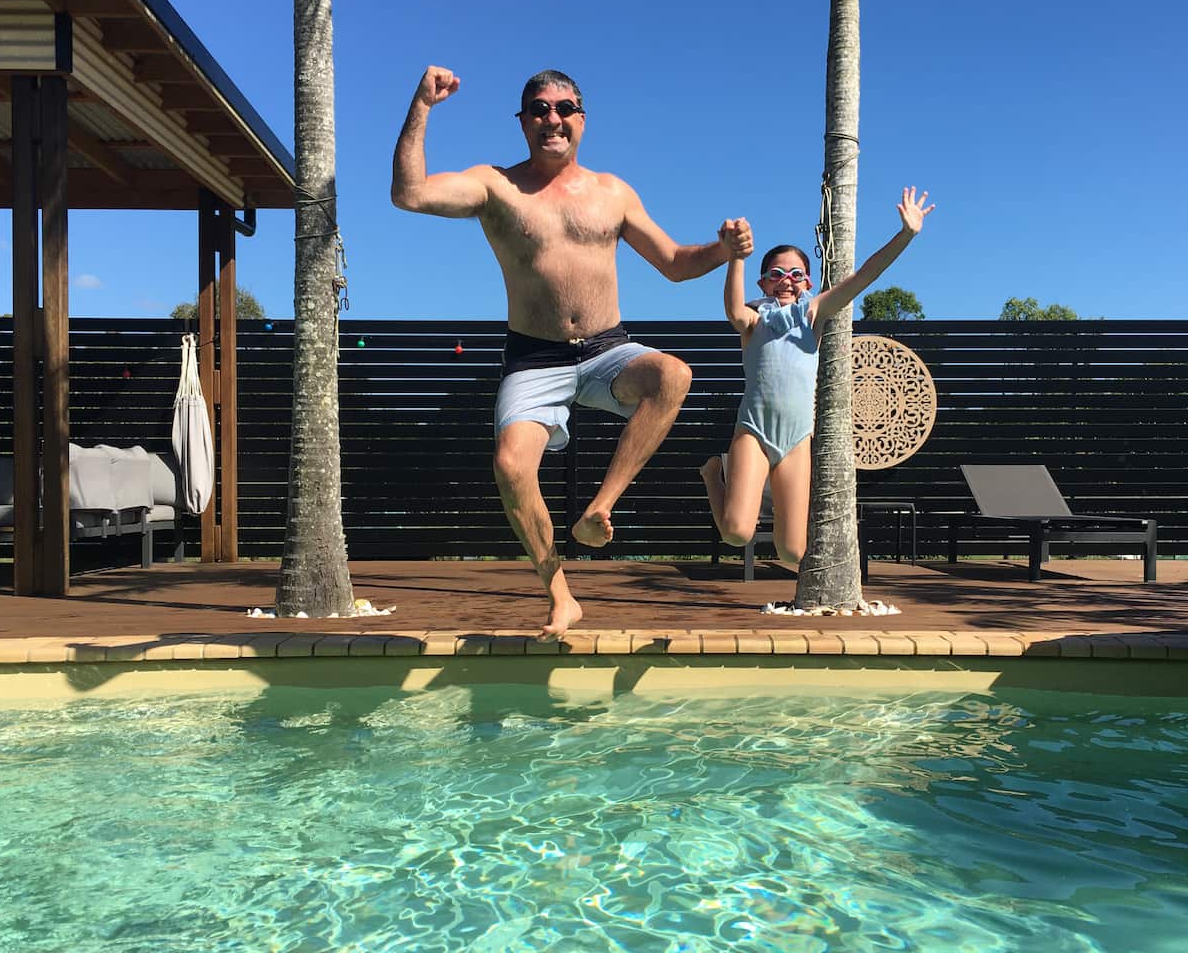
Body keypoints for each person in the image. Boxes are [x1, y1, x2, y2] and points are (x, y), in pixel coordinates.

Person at [391, 66, 752, 639]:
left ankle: (599, 509)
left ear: (581, 118)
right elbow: (409, 194)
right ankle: (561, 595)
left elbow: (677, 264)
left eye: (563, 108)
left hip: (608, 349)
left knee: (673, 375)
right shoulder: (495, 186)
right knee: (511, 465)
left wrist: (723, 250)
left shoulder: (613, 192)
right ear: (524, 121)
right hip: (534, 356)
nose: (551, 119)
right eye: (538, 109)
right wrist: (423, 105)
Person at [701, 187, 935, 566]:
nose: (786, 280)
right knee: (736, 533)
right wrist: (736, 257)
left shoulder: (815, 313)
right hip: (754, 432)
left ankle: (763, 500)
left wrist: (905, 235)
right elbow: (732, 309)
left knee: (793, 551)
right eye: (776, 274)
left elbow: (863, 277)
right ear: (763, 284)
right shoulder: (754, 320)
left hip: (796, 438)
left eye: (796, 273)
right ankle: (714, 474)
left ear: (808, 282)